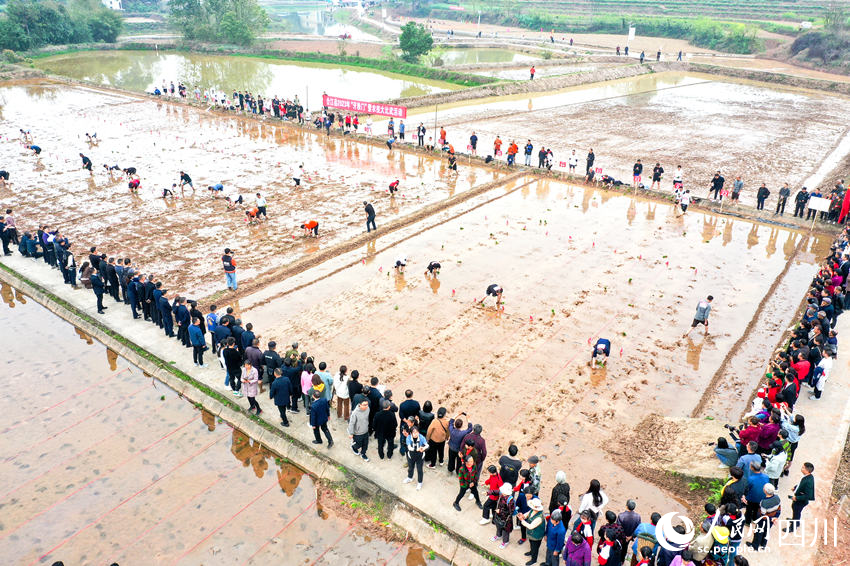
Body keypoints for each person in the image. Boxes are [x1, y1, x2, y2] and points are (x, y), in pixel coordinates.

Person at [784, 462, 814, 532]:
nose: (801, 468)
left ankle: (792, 527)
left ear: (807, 470)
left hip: (800, 501)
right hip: (798, 498)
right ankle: (796, 521)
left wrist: (797, 498)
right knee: (795, 511)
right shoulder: (806, 477)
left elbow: (808, 495)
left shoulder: (809, 482)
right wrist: (795, 487)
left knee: (796, 512)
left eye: (803, 467)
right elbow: (801, 484)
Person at [404, 426, 428, 490]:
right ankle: (410, 478)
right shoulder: (408, 438)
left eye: (417, 432)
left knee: (419, 470)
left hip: (420, 456)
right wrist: (417, 449)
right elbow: (409, 448)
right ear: (411, 433)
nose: (416, 434)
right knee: (410, 468)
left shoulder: (421, 437)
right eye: (414, 432)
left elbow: (427, 445)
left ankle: (420, 483)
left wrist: (423, 448)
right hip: (411, 455)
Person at [493, 483, 515, 549]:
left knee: (505, 530)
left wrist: (500, 511)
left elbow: (511, 511)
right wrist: (488, 492)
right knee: (498, 525)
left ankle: (505, 541)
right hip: (499, 516)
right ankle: (498, 535)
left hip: (506, 519)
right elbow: (495, 491)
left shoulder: (510, 500)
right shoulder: (501, 494)